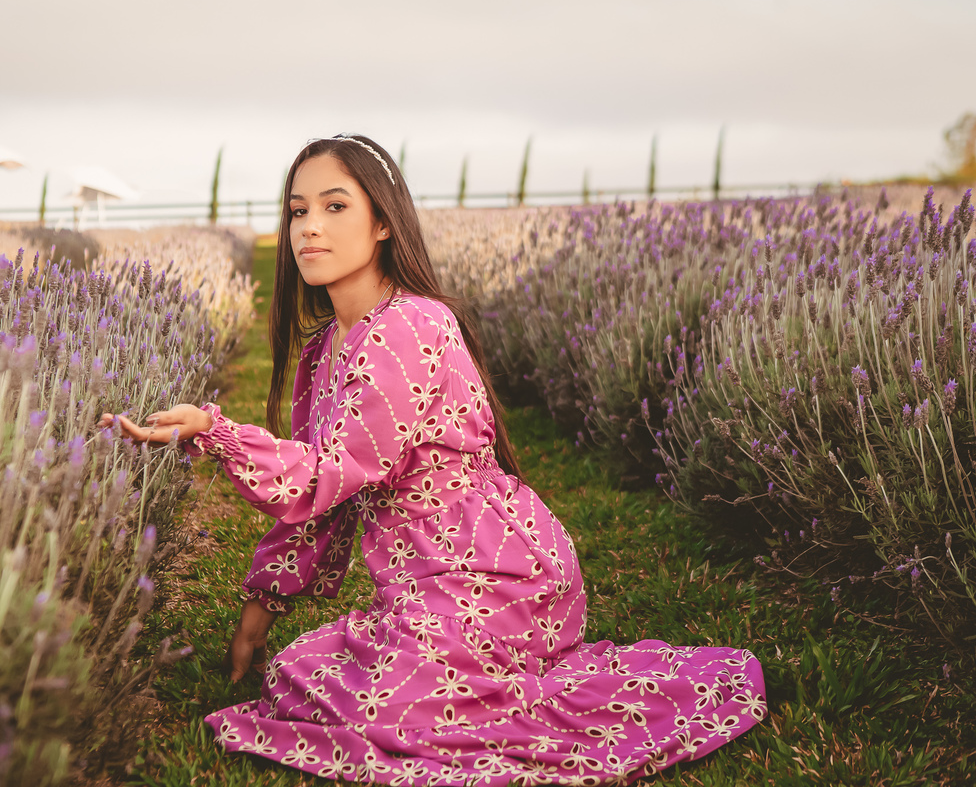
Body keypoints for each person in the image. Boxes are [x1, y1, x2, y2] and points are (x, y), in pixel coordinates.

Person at [99, 134, 766, 786]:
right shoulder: (325, 348)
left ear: (383, 223)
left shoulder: (412, 324)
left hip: (496, 572)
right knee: (303, 673)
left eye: (335, 206)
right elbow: (324, 501)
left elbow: (332, 472)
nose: (309, 227)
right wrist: (261, 610)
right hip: (419, 581)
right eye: (298, 210)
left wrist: (216, 432)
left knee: (392, 713)